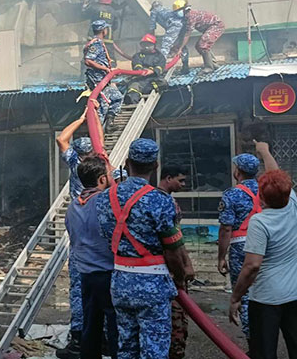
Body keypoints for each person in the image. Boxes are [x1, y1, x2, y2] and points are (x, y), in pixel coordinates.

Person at [96, 138, 194, 359]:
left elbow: (105, 237)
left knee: (126, 347)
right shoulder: (160, 201)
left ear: (128, 162)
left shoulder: (105, 199)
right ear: (156, 165)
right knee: (154, 349)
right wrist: (179, 277)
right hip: (153, 283)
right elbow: (172, 249)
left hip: (120, 282)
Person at [229, 160, 297, 359]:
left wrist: (236, 297)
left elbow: (252, 265)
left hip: (267, 298)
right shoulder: (293, 206)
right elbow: (275, 172)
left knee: (264, 352)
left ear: (261, 197)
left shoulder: (260, 222)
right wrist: (265, 151)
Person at [56, 115, 100, 359]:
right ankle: (102, 337)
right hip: (99, 228)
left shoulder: (75, 164)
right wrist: (94, 120)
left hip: (80, 222)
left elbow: (61, 138)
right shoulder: (102, 169)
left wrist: (81, 118)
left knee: (78, 286)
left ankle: (78, 341)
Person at [65, 156, 117, 359]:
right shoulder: (106, 202)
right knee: (115, 327)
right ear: (102, 180)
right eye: (110, 175)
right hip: (108, 273)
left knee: (91, 325)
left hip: (86, 274)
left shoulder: (73, 207)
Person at [217, 149, 264, 340]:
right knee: (262, 291)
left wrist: (221, 256)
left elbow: (226, 229)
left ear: (239, 171)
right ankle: (265, 337)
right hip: (265, 245)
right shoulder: (266, 190)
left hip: (241, 247)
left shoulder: (231, 195)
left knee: (244, 292)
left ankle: (254, 340)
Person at [157, 164, 190, 359]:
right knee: (175, 319)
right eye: (180, 180)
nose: (183, 184)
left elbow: (177, 237)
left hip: (168, 267)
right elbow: (172, 244)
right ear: (168, 178)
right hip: (167, 271)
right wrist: (181, 271)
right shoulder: (162, 202)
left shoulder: (169, 201)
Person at [84, 19, 123, 132]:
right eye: (106, 28)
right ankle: (97, 134)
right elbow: (88, 60)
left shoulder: (100, 42)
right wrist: (104, 69)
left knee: (117, 97)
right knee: (102, 106)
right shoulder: (96, 43)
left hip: (104, 79)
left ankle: (109, 124)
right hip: (98, 80)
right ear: (103, 30)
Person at [113, 34, 166, 105]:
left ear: (154, 45)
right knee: (133, 87)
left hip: (153, 78)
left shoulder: (160, 56)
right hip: (139, 79)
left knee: (163, 83)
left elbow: (160, 67)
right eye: (144, 45)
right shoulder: (137, 56)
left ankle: (149, 88)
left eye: (149, 44)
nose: (146, 47)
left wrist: (152, 71)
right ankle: (131, 100)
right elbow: (137, 65)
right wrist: (141, 70)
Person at [171, 5, 224, 73]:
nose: (177, 13)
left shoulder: (191, 17)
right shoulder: (187, 16)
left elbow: (187, 34)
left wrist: (180, 48)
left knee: (203, 45)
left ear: (184, 9)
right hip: (210, 27)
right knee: (198, 46)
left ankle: (209, 67)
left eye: (177, 11)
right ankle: (213, 64)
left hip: (216, 26)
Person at [149, 0, 186, 69]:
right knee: (181, 46)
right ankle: (185, 66)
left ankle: (160, 67)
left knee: (165, 46)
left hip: (174, 26)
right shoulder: (166, 9)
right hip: (182, 25)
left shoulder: (154, 11)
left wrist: (152, 41)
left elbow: (152, 27)